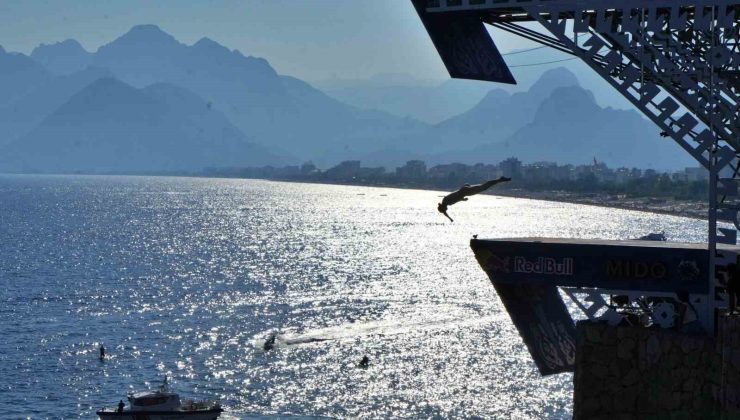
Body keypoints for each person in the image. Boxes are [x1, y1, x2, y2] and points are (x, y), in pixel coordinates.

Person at [437, 176, 512, 222]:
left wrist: (462, 199)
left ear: (443, 207)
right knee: (483, 187)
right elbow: (445, 212)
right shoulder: (446, 202)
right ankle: (499, 180)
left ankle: (500, 179)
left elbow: (456, 196)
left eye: (445, 209)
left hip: (465, 191)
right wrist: (450, 219)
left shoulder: (446, 201)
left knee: (484, 187)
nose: (447, 210)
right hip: (465, 190)